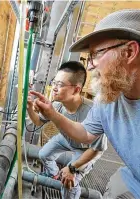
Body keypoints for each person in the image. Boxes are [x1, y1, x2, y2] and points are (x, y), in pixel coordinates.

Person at [30, 9, 140, 199]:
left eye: (96, 54)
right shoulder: (110, 95)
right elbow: (86, 134)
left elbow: (96, 147)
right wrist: (52, 113)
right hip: (134, 182)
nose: (90, 65)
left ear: (129, 52)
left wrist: (72, 168)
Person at [27, 61, 107, 199]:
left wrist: (71, 169)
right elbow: (38, 121)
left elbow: (96, 150)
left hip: (86, 150)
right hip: (66, 139)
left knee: (68, 183)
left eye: (60, 84)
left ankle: (69, 187)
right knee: (43, 154)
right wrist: (28, 105)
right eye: (54, 83)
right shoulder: (57, 104)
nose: (54, 88)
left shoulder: (93, 113)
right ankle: (55, 174)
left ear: (76, 89)